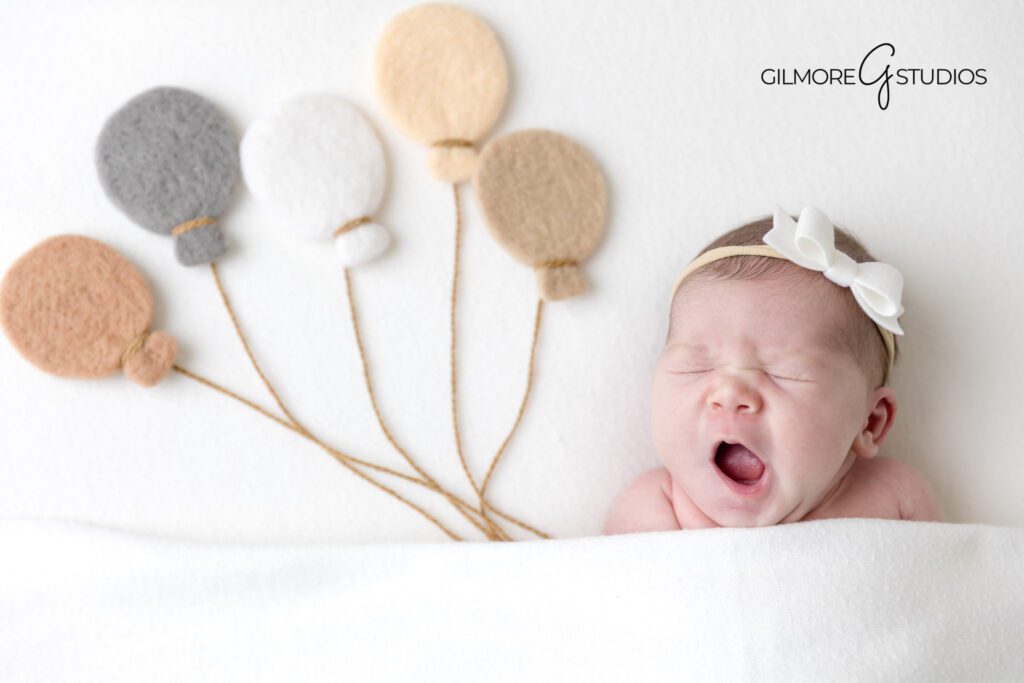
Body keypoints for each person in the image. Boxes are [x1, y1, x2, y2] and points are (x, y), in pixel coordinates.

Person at [603, 206, 942, 534]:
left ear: (870, 421)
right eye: (697, 366)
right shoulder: (653, 508)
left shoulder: (894, 498)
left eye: (785, 373)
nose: (731, 393)